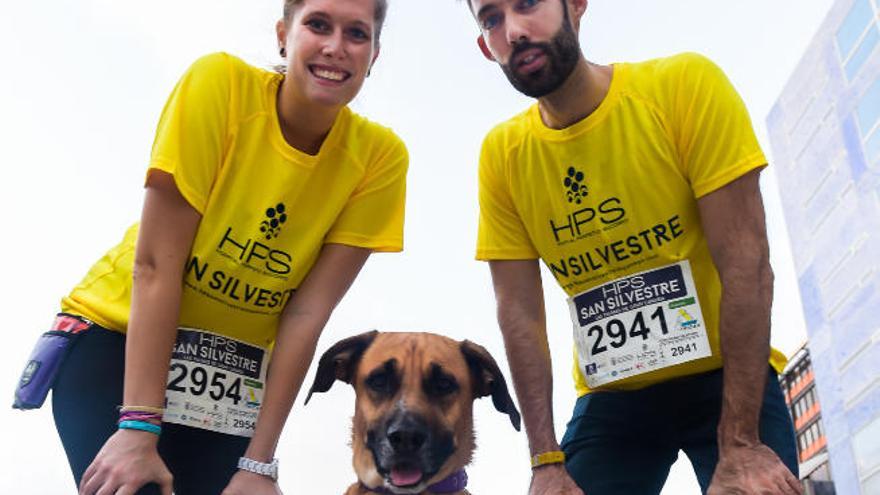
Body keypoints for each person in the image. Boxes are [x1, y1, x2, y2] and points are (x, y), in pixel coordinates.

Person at [43, 0, 406, 493]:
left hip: (228, 376)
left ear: (376, 54)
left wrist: (258, 466)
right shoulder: (221, 85)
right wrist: (137, 427)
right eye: (318, 25)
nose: (335, 47)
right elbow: (154, 266)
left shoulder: (380, 158)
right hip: (119, 341)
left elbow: (305, 316)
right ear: (284, 33)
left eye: (356, 34)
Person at [462, 0, 802, 494]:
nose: (513, 30)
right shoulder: (502, 155)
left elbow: (747, 267)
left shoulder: (684, 86)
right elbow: (519, 313)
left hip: (727, 377)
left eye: (528, 4)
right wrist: (545, 463)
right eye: (491, 19)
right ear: (484, 47)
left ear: (575, 5)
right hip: (615, 396)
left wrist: (742, 444)